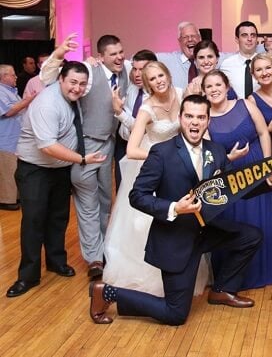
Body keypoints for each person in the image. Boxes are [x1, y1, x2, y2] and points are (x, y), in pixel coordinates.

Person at [89, 94, 263, 325]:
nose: (195, 122)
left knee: (251, 237)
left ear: (208, 121)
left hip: (205, 230)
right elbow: (137, 196)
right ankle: (108, 292)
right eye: (189, 116)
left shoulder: (217, 150)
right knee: (175, 314)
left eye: (201, 117)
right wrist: (174, 207)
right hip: (175, 238)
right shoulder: (162, 152)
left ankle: (222, 289)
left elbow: (234, 187)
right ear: (181, 118)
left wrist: (271, 178)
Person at [105, 61, 212, 297]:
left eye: (161, 75)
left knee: (183, 220)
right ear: (147, 83)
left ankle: (182, 272)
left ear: (168, 73)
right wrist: (162, 158)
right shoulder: (147, 108)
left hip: (184, 167)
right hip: (157, 167)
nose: (158, 81)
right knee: (146, 224)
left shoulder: (184, 94)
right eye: (152, 79)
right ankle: (151, 281)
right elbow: (132, 149)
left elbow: (200, 121)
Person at [6, 62, 106, 297]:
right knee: (33, 221)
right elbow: (48, 146)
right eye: (73, 82)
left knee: (58, 217)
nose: (78, 88)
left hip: (60, 169)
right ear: (60, 79)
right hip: (35, 169)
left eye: (82, 84)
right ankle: (27, 276)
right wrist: (82, 158)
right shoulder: (47, 104)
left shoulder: (70, 98)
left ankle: (56, 261)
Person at [40, 33, 130, 279]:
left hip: (109, 144)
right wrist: (60, 54)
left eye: (121, 51)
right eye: (113, 54)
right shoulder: (90, 73)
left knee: (105, 201)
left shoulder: (125, 71)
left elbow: (146, 65)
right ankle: (94, 259)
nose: (120, 57)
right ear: (101, 57)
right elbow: (47, 78)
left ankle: (105, 251)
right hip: (85, 145)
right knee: (87, 202)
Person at [203, 70, 272, 289]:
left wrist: (268, 167)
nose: (214, 89)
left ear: (226, 86)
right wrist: (228, 158)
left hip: (256, 167)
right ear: (204, 92)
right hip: (231, 178)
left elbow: (263, 133)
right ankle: (238, 277)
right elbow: (208, 156)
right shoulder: (205, 119)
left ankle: (269, 268)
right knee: (240, 223)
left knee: (263, 219)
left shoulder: (245, 104)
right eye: (209, 87)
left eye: (217, 85)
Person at [112, 49, 157, 190]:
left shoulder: (156, 97)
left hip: (143, 150)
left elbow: (140, 128)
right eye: (135, 69)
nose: (137, 74)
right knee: (122, 188)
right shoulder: (131, 89)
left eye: (142, 69)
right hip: (123, 146)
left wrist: (120, 112)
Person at [0, 64, 36, 211]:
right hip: (5, 139)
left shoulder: (11, 91)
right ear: (3, 77)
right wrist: (27, 101)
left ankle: (15, 197)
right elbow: (8, 111)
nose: (16, 77)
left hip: (15, 139)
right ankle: (6, 199)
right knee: (7, 171)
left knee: (15, 170)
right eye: (12, 74)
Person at [156, 21, 202, 90]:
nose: (190, 39)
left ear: (200, 38)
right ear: (179, 41)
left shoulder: (210, 58)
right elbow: (139, 58)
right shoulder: (168, 59)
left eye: (193, 36)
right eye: (185, 37)